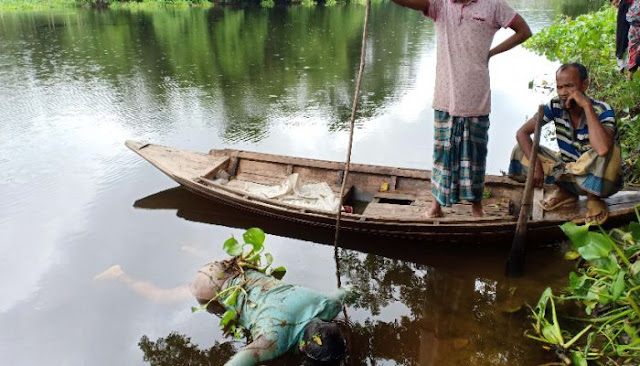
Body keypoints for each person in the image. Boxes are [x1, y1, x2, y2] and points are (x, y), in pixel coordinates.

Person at [389, 0, 531, 218]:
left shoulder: (493, 5)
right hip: (445, 96)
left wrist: (491, 53)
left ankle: (476, 207)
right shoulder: (440, 4)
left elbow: (524, 31)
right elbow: (410, 3)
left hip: (476, 95)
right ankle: (437, 207)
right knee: (442, 155)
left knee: (475, 156)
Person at [95, 260, 349, 366]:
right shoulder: (274, 340)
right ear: (303, 349)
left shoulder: (325, 303)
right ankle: (120, 275)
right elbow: (235, 363)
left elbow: (348, 290)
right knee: (161, 296)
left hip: (234, 267)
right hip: (213, 287)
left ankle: (188, 248)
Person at [508, 63, 623, 225]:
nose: (563, 93)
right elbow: (522, 133)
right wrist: (536, 166)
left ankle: (593, 199)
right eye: (559, 87)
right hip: (568, 170)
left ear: (585, 84)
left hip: (598, 177)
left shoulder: (603, 110)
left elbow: (603, 149)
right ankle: (565, 190)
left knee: (609, 149)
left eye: (569, 86)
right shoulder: (555, 106)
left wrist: (586, 106)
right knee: (521, 150)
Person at [627, 0, 640, 79]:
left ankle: (631, 80)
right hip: (634, 28)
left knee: (633, 53)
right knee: (634, 53)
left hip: (633, 27)